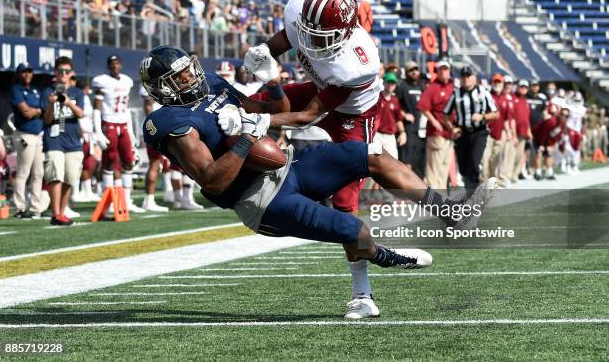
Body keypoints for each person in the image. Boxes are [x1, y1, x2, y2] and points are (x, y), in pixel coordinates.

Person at [140, 46, 497, 318]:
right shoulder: (170, 122)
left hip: (287, 167)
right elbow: (213, 182)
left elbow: (266, 113)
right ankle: (385, 258)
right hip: (260, 199)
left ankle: (452, 212)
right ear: (162, 89)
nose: (191, 78)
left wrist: (274, 82)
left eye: (189, 70)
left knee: (370, 153)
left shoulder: (215, 85)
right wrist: (247, 138)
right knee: (352, 228)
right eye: (180, 78)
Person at [244, 0, 384, 317]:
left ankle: (362, 294)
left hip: (353, 113)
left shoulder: (356, 61)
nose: (311, 40)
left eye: (322, 35)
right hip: (322, 89)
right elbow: (278, 44)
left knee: (345, 203)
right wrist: (260, 56)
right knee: (251, 104)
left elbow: (308, 115)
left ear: (346, 32)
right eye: (308, 31)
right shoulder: (299, 12)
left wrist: (264, 124)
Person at [92, 55, 144, 213]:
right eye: (112, 63)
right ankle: (108, 200)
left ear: (120, 65)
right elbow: (97, 108)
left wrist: (132, 132)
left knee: (129, 160)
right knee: (109, 161)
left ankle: (126, 200)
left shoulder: (126, 81)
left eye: (117, 63)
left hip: (123, 124)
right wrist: (98, 132)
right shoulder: (102, 81)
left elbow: (126, 109)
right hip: (109, 123)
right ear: (108, 66)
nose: (115, 66)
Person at [40, 56, 85, 226]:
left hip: (73, 141)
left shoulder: (77, 93)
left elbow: (80, 114)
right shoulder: (47, 92)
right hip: (54, 139)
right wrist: (52, 104)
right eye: (61, 71)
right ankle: (56, 214)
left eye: (67, 71)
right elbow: (46, 119)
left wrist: (68, 103)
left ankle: (62, 211)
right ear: (55, 73)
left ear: (71, 73)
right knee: (55, 176)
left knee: (70, 178)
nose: (64, 74)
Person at [442, 66, 498, 191]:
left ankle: (473, 195)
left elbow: (496, 113)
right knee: (463, 167)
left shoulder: (483, 92)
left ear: (474, 77)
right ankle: (471, 191)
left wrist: (482, 116)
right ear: (460, 79)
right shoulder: (456, 94)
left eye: (468, 76)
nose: (466, 78)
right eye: (463, 76)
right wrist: (452, 128)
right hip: (462, 134)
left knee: (473, 163)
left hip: (479, 133)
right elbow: (445, 114)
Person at [9, 63, 44, 219]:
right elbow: (25, 111)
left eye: (29, 71)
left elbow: (43, 108)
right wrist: (39, 110)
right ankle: (19, 208)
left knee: (38, 173)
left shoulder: (36, 90)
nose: (27, 74)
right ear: (18, 74)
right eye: (24, 72)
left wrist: (37, 110)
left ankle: (36, 208)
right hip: (24, 134)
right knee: (24, 172)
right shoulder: (16, 90)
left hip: (37, 135)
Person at [417, 60, 454, 189]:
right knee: (434, 166)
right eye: (441, 69)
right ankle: (432, 195)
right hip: (436, 132)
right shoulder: (433, 87)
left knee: (445, 164)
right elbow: (422, 106)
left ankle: (441, 194)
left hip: (449, 133)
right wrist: (434, 121)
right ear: (437, 72)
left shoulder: (452, 87)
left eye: (446, 69)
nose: (444, 72)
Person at [396, 61, 424, 178]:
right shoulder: (402, 86)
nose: (414, 72)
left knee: (418, 161)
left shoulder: (421, 86)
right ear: (407, 72)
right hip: (408, 128)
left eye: (416, 69)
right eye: (411, 70)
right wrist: (404, 115)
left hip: (421, 130)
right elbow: (395, 105)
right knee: (406, 160)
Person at [482, 74, 508, 185]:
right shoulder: (487, 96)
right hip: (487, 131)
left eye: (499, 82)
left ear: (502, 84)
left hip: (499, 132)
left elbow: (506, 118)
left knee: (495, 159)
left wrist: (509, 132)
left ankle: (493, 181)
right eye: (495, 82)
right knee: (485, 158)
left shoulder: (505, 98)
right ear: (491, 83)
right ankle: (484, 180)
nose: (497, 84)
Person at [511, 80, 532, 180]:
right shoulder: (513, 98)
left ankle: (515, 175)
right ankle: (508, 176)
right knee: (511, 155)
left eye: (525, 87)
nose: (523, 88)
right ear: (518, 87)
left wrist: (529, 131)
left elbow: (526, 118)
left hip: (523, 132)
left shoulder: (525, 100)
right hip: (514, 132)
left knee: (519, 156)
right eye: (522, 86)